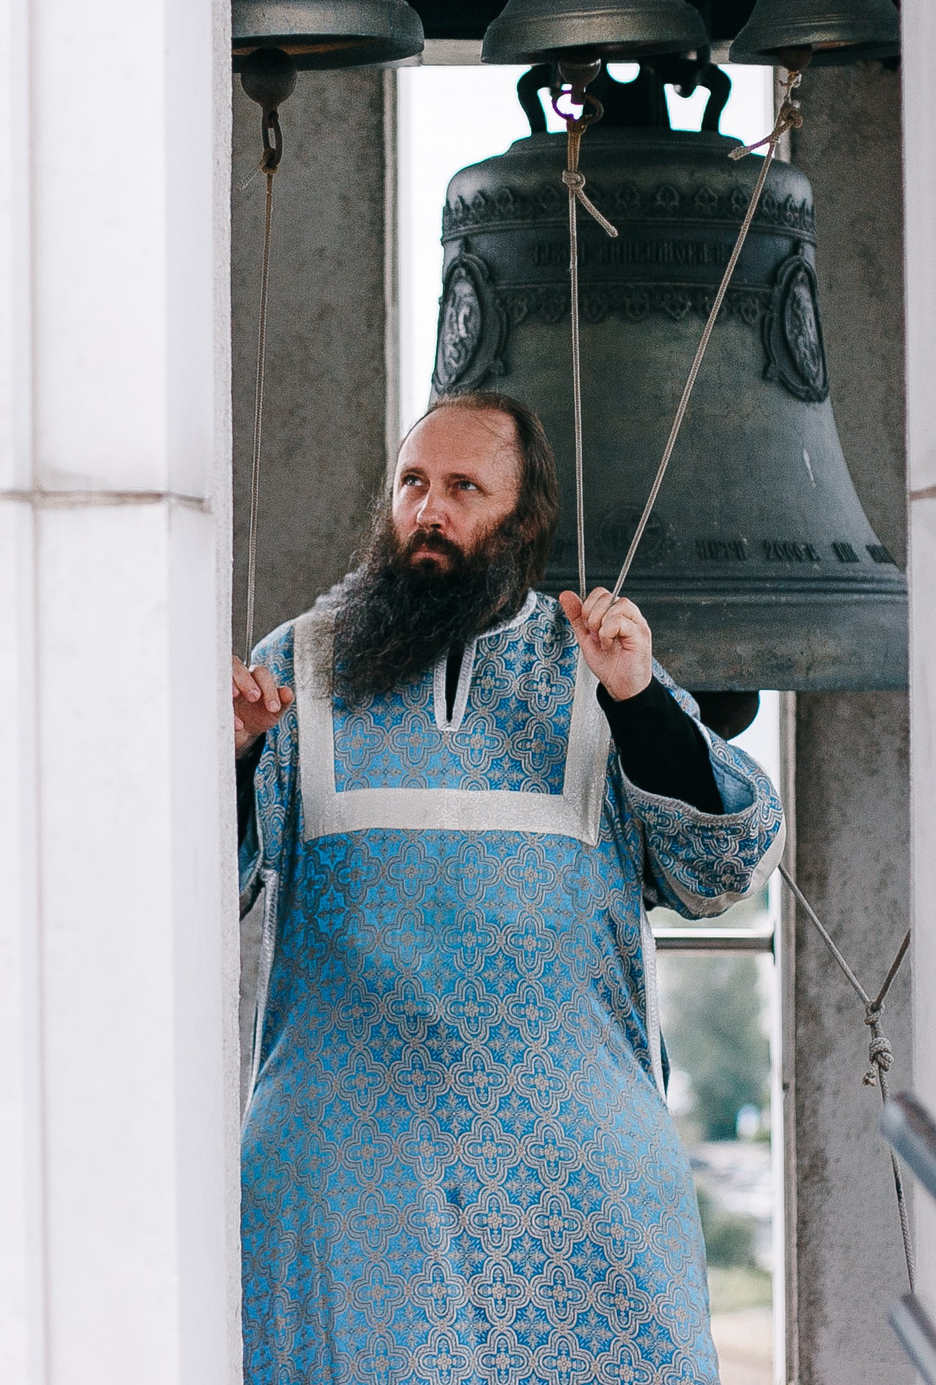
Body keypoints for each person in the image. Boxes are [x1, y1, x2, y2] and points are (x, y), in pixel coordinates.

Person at [231, 389, 783, 1385]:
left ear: (524, 521)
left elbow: (721, 867)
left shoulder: (594, 667)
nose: (427, 510)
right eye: (412, 484)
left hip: (571, 1179)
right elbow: (197, 888)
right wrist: (230, 756)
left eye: (462, 488)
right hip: (350, 1181)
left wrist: (637, 697)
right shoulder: (299, 663)